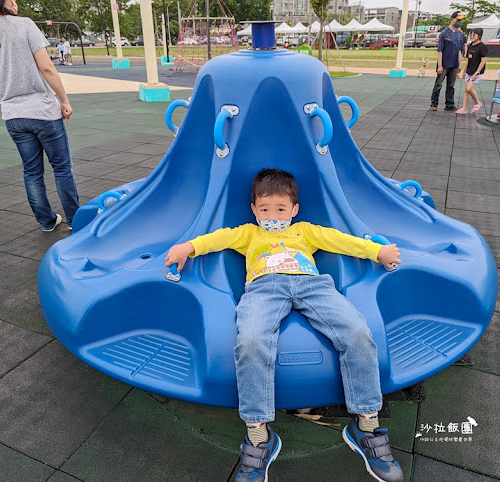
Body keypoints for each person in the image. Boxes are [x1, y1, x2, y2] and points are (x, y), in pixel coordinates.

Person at [166, 168, 404, 482]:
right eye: (264, 209)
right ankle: (259, 433)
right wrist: (188, 247)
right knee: (250, 343)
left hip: (311, 285)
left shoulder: (304, 231)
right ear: (254, 210)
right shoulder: (250, 234)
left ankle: (366, 424)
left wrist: (378, 251)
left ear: (294, 210)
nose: (272, 215)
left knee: (357, 331)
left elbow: (339, 241)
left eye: (280, 209)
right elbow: (218, 238)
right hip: (264, 288)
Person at [0, 0, 80, 232]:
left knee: (32, 171)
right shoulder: (24, 25)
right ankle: (74, 219)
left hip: (13, 114)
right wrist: (64, 100)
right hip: (42, 110)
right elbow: (47, 67)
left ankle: (47, 221)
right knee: (61, 168)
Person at [430, 11, 466, 112]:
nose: (459, 22)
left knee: (451, 85)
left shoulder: (459, 34)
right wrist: (440, 66)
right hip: (444, 63)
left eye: (460, 20)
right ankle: (434, 104)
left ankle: (449, 104)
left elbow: (459, 50)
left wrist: (459, 64)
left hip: (454, 64)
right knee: (438, 84)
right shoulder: (444, 33)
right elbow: (440, 50)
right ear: (452, 19)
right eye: (457, 20)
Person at [455, 28, 488, 115]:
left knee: (469, 89)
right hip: (469, 70)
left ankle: (477, 102)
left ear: (479, 36)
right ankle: (464, 109)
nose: (472, 36)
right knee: (466, 90)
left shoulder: (482, 47)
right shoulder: (470, 45)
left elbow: (483, 61)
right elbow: (468, 59)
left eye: (474, 35)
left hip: (477, 72)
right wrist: (464, 70)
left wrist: (476, 73)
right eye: (471, 35)